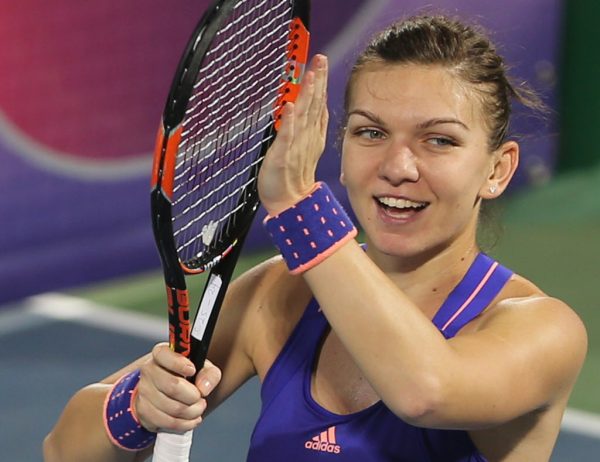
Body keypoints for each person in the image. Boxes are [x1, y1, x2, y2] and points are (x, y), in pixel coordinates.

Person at [44, 14, 587, 462]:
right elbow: (63, 450)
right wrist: (136, 410)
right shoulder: (280, 294)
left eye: (439, 141)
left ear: (497, 169)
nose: (398, 166)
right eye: (371, 133)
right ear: (342, 150)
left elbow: (426, 391)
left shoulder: (543, 330)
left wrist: (300, 210)